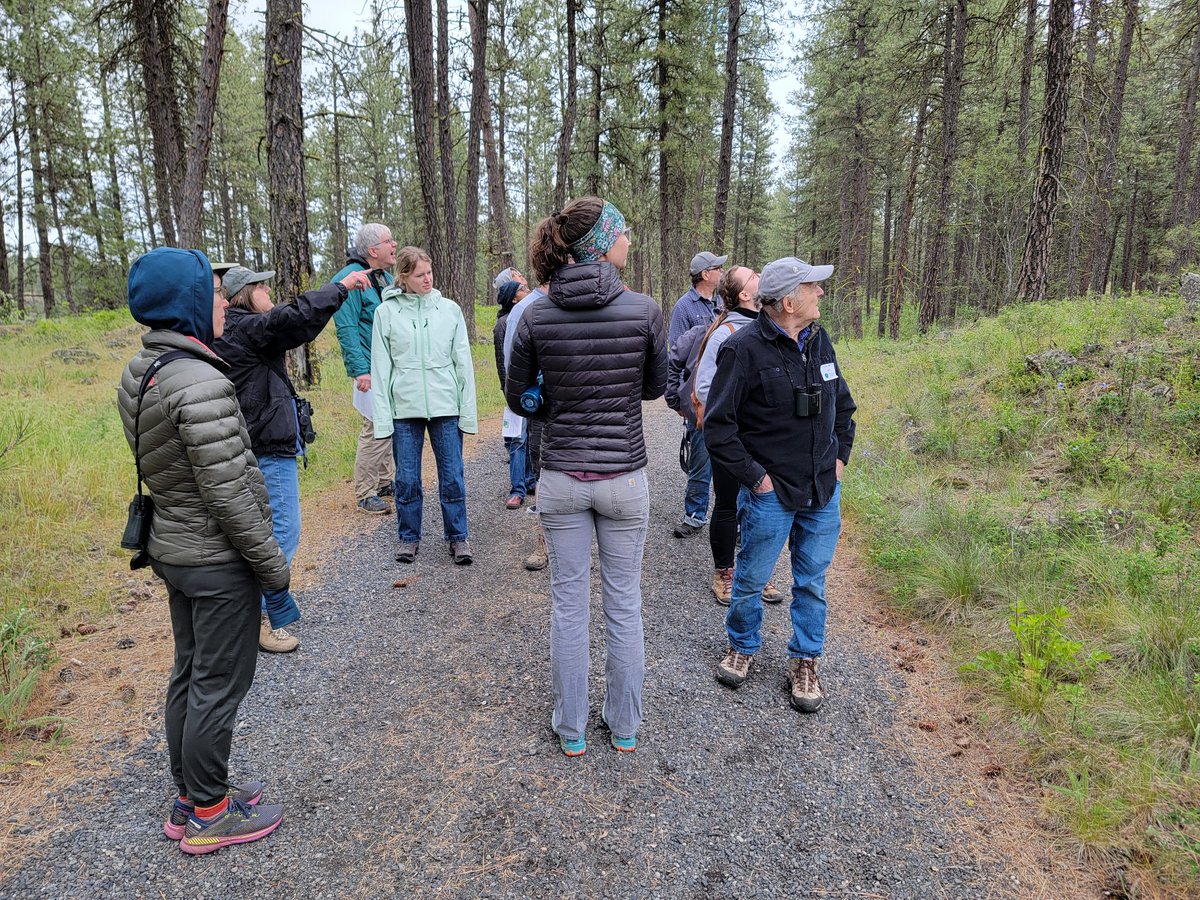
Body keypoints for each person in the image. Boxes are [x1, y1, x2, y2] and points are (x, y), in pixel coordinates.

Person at [117, 247, 286, 853]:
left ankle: (191, 794)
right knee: (219, 682)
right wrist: (273, 569)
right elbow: (232, 493)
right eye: (212, 292)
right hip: (215, 560)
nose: (223, 300)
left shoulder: (145, 369)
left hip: (175, 550)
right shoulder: (201, 380)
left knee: (190, 674)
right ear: (188, 303)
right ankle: (211, 814)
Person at [506, 196, 668, 756]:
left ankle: (571, 729)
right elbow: (653, 388)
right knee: (623, 603)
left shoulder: (534, 314)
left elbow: (520, 398)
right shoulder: (644, 309)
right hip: (624, 476)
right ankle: (623, 726)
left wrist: (559, 404)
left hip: (561, 478)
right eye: (623, 229)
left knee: (568, 605)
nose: (631, 237)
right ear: (603, 242)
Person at [704, 257, 856, 714]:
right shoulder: (743, 349)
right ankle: (742, 645)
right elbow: (718, 428)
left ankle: (806, 659)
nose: (822, 294)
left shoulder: (819, 341)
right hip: (772, 494)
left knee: (812, 582)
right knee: (750, 579)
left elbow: (844, 408)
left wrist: (840, 460)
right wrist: (757, 479)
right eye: (814, 287)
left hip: (821, 491)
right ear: (789, 301)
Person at [213, 265, 372, 653]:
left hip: (255, 443)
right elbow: (296, 318)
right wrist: (340, 287)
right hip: (268, 445)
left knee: (259, 533)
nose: (269, 291)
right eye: (261, 286)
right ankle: (263, 619)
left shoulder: (234, 329)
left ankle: (248, 615)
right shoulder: (249, 327)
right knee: (282, 532)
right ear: (244, 294)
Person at [372, 246, 478, 565]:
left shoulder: (449, 310)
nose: (427, 279)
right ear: (403, 277)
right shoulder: (386, 313)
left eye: (429, 273)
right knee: (406, 478)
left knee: (452, 476)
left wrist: (468, 415)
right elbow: (380, 369)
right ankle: (408, 538)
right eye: (420, 275)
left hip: (446, 407)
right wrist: (382, 420)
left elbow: (464, 364)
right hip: (404, 410)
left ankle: (458, 538)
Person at [690, 267, 784, 607]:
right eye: (752, 276)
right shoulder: (724, 333)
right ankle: (725, 572)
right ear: (744, 294)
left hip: (764, 440)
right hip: (732, 438)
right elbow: (704, 388)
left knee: (761, 505)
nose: (759, 275)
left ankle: (755, 572)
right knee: (729, 504)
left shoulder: (772, 327)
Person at [332, 223, 398, 515]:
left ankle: (384, 481)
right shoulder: (349, 279)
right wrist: (361, 371)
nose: (394, 245)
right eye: (389, 241)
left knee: (388, 424)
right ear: (373, 250)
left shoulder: (385, 278)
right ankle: (365, 492)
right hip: (369, 369)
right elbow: (346, 328)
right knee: (376, 427)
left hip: (388, 367)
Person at [667, 250, 726, 539]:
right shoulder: (684, 308)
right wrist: (678, 400)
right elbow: (675, 355)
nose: (721, 272)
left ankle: (734, 520)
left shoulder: (723, 302)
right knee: (700, 459)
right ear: (705, 274)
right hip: (699, 401)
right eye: (718, 267)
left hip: (726, 396)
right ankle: (694, 515)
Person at [493, 278, 535, 509]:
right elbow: (503, 362)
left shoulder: (529, 316)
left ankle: (530, 481)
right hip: (515, 390)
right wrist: (510, 392)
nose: (527, 291)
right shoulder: (503, 324)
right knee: (518, 440)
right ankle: (517, 489)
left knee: (531, 436)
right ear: (513, 297)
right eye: (522, 289)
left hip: (533, 388)